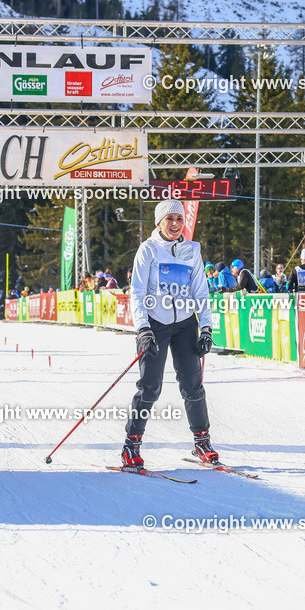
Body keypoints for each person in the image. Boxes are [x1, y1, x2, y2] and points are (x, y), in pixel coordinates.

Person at [124, 200, 216, 468]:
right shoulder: (148, 249)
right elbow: (137, 292)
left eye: (179, 218)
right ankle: (131, 445)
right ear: (159, 222)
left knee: (193, 386)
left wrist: (206, 328)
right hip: (156, 324)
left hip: (186, 324)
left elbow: (200, 290)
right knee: (150, 387)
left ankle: (202, 442)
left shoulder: (192, 249)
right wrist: (143, 329)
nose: (175, 224)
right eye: (169, 219)